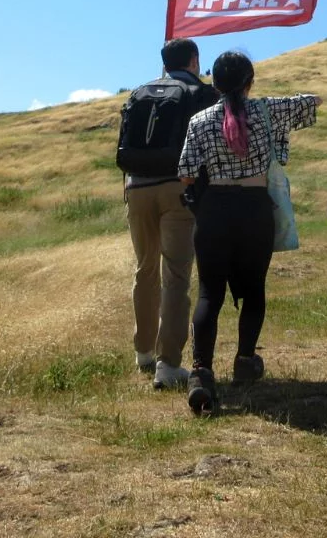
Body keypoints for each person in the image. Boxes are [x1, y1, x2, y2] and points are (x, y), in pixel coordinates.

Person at [177, 51, 320, 415]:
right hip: (256, 210)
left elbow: (187, 174)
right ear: (250, 81)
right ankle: (244, 360)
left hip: (213, 211)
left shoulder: (199, 121)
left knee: (210, 292)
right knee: (254, 288)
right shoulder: (270, 111)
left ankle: (201, 372)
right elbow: (310, 102)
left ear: (215, 83)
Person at [120, 38, 219, 390]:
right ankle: (169, 364)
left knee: (144, 269)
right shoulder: (199, 92)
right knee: (175, 274)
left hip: (136, 187)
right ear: (194, 60)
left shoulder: (139, 92)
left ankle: (143, 351)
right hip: (179, 188)